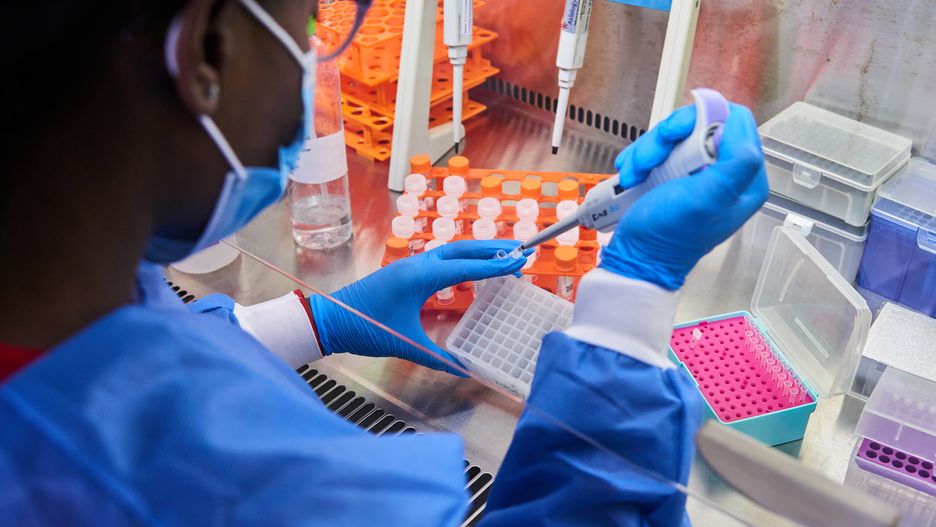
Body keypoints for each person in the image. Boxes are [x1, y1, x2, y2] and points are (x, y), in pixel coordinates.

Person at [0, 0, 768, 525]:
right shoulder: (248, 490)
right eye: (307, 26)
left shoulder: (58, 305)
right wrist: (634, 291)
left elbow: (112, 367)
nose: (311, 59)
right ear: (207, 48)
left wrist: (317, 319)